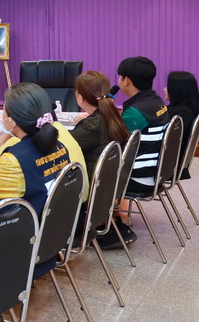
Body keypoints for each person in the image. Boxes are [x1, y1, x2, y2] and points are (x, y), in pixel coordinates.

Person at [0, 82, 71, 218]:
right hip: (52, 223)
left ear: (12, 121)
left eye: (4, 111)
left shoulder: (13, 162)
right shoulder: (60, 147)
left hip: (24, 228)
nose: (2, 116)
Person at [101, 56, 170, 248]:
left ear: (126, 80)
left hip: (140, 176)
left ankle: (106, 226)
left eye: (120, 77)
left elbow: (113, 142)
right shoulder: (156, 101)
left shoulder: (135, 112)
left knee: (95, 169)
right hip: (158, 169)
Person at [0, 94, 89, 198]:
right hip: (75, 200)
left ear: (13, 120)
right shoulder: (58, 129)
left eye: (4, 112)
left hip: (45, 207)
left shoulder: (19, 142)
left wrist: (8, 133)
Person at [70, 71, 129, 179]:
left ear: (80, 97)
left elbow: (65, 146)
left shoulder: (92, 125)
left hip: (89, 181)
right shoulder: (111, 115)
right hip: (107, 180)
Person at [166, 71, 199, 180]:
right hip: (176, 164)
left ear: (177, 91)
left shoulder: (179, 117)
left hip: (168, 167)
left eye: (168, 87)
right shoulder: (189, 110)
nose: (165, 89)